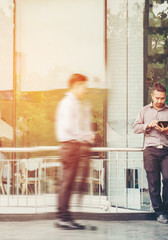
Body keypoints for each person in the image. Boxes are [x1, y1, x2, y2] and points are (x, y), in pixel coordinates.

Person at [133, 82, 168, 224]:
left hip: (166, 150)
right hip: (150, 150)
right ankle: (159, 212)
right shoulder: (144, 111)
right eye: (157, 98)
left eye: (163, 98)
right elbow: (135, 128)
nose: (160, 101)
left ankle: (166, 209)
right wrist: (148, 125)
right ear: (152, 96)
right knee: (153, 183)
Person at [55, 73, 95, 230]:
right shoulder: (68, 103)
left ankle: (64, 216)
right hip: (70, 146)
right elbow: (68, 127)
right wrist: (85, 135)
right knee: (67, 183)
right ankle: (63, 218)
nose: (85, 90)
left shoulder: (73, 103)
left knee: (68, 183)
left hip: (71, 146)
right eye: (84, 86)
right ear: (76, 85)